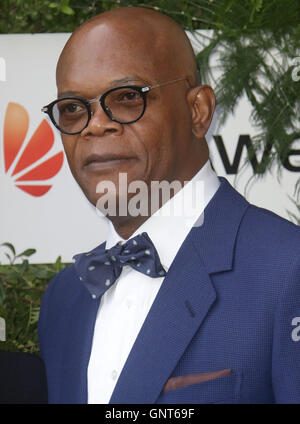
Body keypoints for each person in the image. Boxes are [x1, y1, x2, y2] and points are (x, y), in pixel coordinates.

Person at [38, 7, 300, 404]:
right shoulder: (64, 298)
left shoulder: (288, 269)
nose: (94, 125)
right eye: (74, 108)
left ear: (198, 111)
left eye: (127, 98)